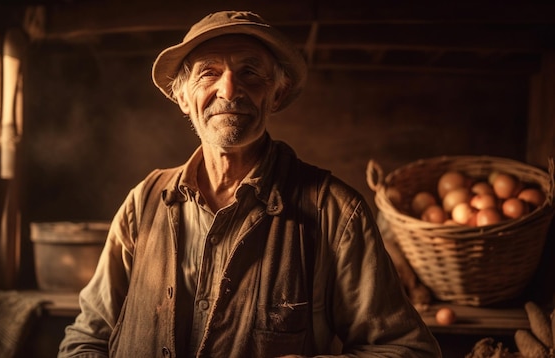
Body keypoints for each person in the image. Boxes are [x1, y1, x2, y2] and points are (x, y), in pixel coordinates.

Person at [58, 10, 442, 358]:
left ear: (276, 93)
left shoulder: (335, 212)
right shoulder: (145, 202)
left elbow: (407, 350)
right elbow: (86, 338)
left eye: (250, 73)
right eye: (208, 72)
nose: (229, 90)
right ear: (182, 96)